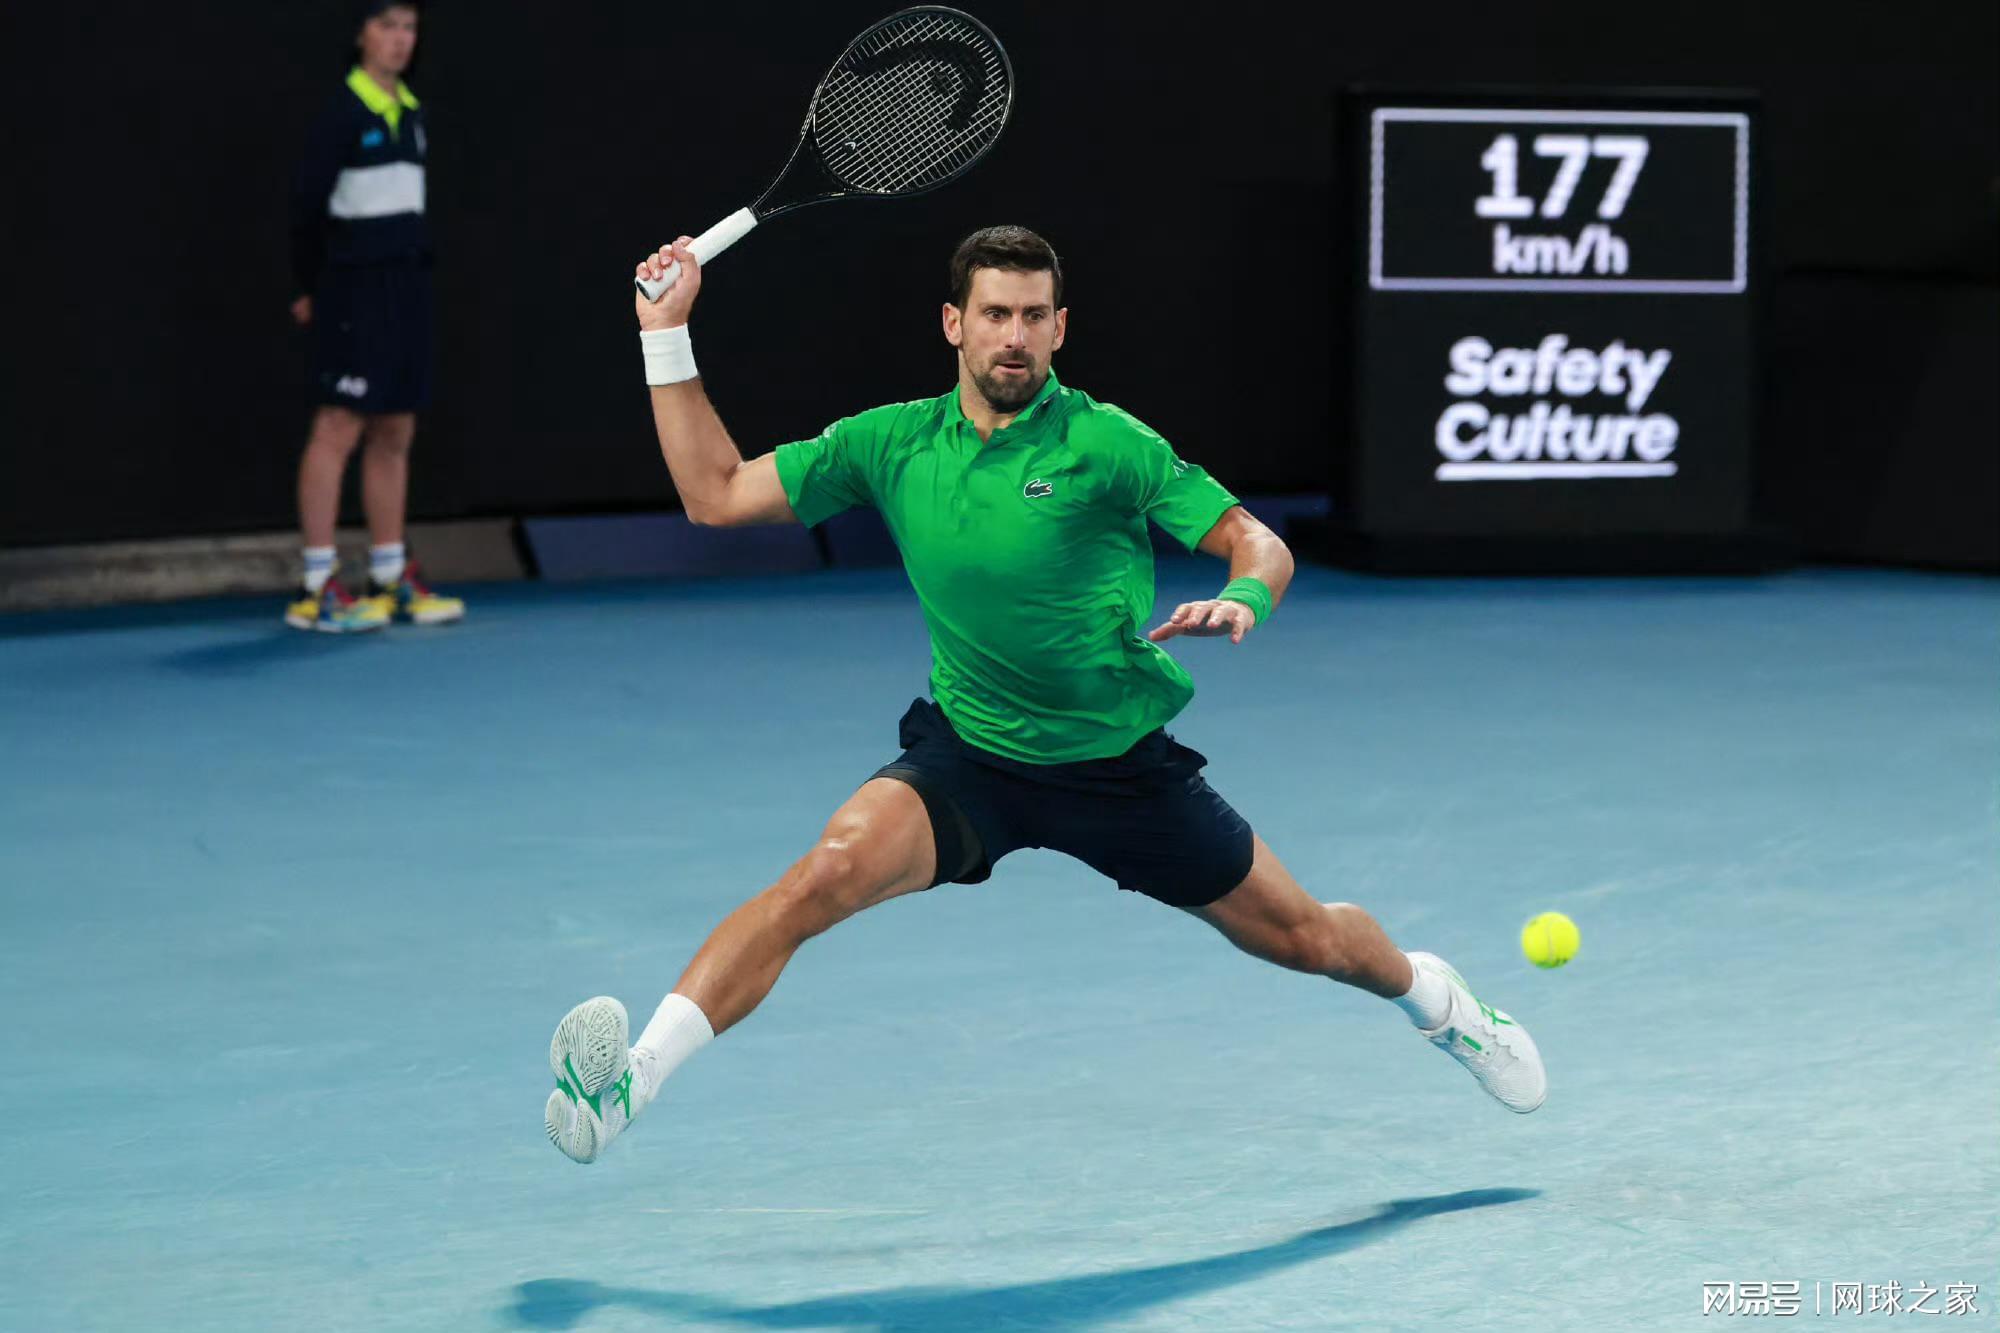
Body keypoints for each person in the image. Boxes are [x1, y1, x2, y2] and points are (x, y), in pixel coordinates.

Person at [543, 226, 1546, 1164]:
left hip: (1116, 770)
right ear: (954, 323)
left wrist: (1243, 597)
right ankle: (628, 1086)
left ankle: (1438, 1001)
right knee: (821, 876)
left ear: (1060, 328)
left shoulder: (1108, 445)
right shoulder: (890, 443)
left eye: (1033, 316)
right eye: (994, 314)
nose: (1013, 337)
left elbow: (1256, 541)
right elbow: (715, 493)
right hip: (971, 757)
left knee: (1308, 939)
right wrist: (665, 333)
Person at [284, 0, 463, 632]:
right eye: (387, 25)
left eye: (409, 27)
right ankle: (317, 586)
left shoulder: (411, 112)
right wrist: (308, 286)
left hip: (406, 288)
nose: (400, 38)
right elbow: (305, 208)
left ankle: (390, 577)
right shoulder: (342, 112)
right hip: (352, 290)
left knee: (395, 428)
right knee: (339, 425)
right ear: (361, 33)